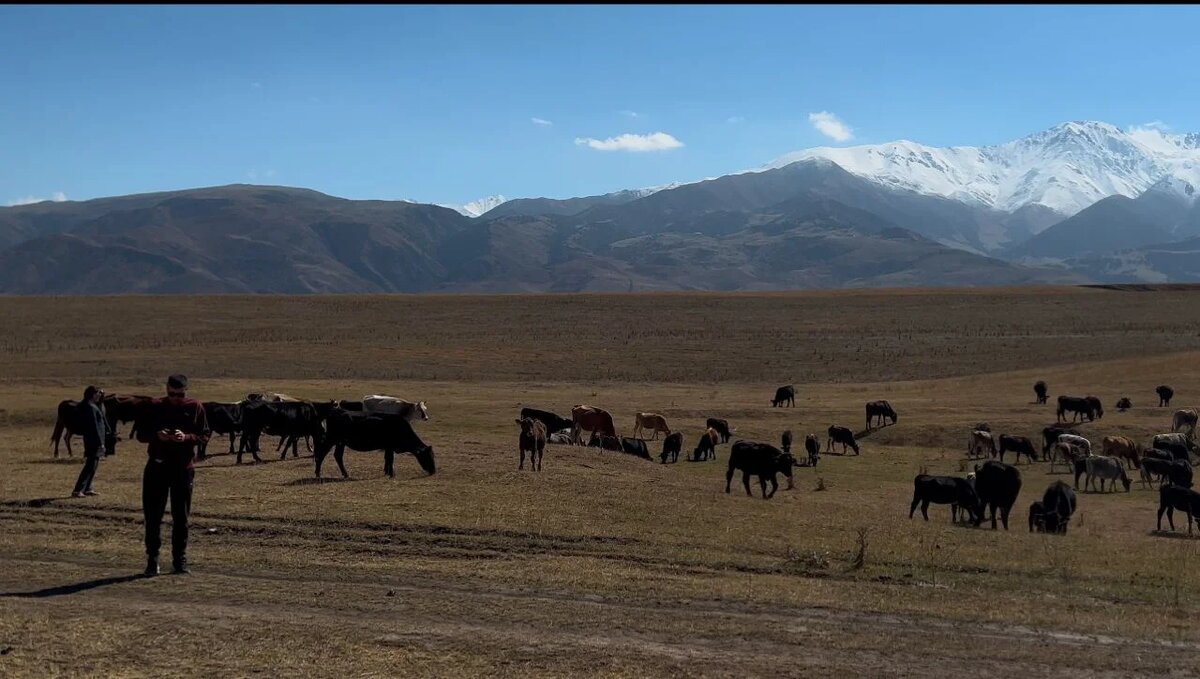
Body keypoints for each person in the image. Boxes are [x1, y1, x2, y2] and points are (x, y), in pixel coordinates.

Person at [136, 374, 210, 577]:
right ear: (166, 389)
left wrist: (185, 437)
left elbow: (204, 435)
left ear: (186, 390)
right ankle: (152, 560)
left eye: (179, 394)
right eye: (171, 394)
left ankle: (179, 560)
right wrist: (157, 435)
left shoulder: (195, 407)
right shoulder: (154, 406)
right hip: (157, 467)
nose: (175, 398)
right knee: (153, 516)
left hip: (182, 469)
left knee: (181, 516)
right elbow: (140, 434)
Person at [70, 386, 110, 497]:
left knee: (94, 464)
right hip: (93, 440)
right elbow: (94, 426)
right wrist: (100, 443)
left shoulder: (92, 405)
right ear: (92, 394)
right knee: (90, 465)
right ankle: (78, 489)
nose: (99, 395)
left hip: (93, 439)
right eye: (98, 393)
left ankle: (87, 488)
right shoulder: (90, 407)